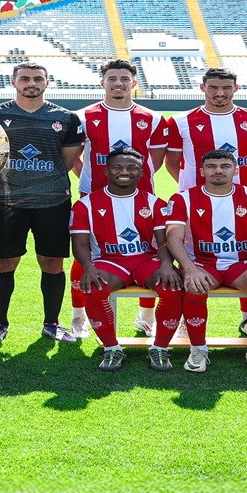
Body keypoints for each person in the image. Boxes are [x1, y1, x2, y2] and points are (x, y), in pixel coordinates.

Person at [0, 62, 85, 344]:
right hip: (6, 201)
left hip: (52, 201)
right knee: (4, 262)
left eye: (38, 79)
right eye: (25, 78)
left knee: (52, 262)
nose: (31, 83)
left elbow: (67, 162)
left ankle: (52, 323)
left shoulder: (66, 118)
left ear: (47, 83)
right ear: (13, 82)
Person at [160, 150, 247, 372]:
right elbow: (173, 237)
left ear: (236, 170)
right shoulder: (183, 198)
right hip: (202, 263)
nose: (218, 170)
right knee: (195, 285)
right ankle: (198, 349)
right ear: (201, 171)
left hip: (241, 264)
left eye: (225, 166)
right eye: (211, 166)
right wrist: (189, 269)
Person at [72, 58, 167, 338]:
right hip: (93, 196)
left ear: (134, 83)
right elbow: (74, 156)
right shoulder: (82, 116)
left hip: (142, 199)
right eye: (112, 78)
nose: (118, 84)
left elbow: (155, 159)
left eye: (124, 79)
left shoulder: (153, 118)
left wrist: (131, 182)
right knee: (84, 254)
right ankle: (78, 316)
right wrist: (89, 177)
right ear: (102, 82)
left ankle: (146, 316)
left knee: (148, 251)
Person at [72, 149, 179, 372]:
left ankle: (160, 347)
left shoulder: (155, 203)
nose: (124, 172)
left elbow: (163, 243)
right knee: (94, 287)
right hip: (109, 261)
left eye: (132, 168)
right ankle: (112, 348)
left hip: (146, 260)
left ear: (142, 172)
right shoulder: (85, 204)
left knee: (172, 285)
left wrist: (167, 265)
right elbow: (80, 243)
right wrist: (89, 267)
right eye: (117, 167)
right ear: (106, 171)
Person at [155, 67, 247, 192]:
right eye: (213, 88)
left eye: (226, 88)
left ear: (236, 88)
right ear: (202, 87)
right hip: (196, 197)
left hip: (244, 195)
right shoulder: (179, 121)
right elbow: (172, 163)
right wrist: (191, 186)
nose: (220, 93)